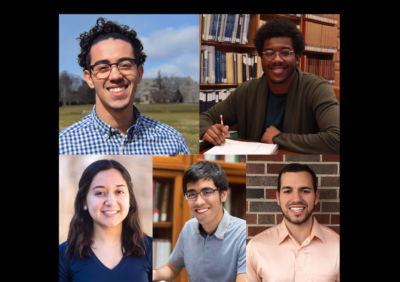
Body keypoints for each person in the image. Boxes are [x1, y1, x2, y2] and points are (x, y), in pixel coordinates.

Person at [200, 18, 339, 154]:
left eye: (285, 52)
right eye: (269, 53)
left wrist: (279, 138)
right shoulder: (247, 90)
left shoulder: (317, 89)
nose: (277, 59)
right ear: (261, 57)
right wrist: (208, 130)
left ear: (297, 57)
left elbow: (336, 138)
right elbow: (204, 118)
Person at [59, 17, 190, 155]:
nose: (115, 76)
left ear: (139, 73)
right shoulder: (63, 146)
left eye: (125, 65)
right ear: (89, 78)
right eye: (103, 68)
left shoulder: (172, 141)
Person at [59, 159, 152, 281]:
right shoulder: (64, 255)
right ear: (84, 201)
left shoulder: (149, 248)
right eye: (100, 193)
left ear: (130, 200)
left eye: (119, 192)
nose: (111, 202)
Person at [152, 161, 246, 282]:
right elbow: (172, 269)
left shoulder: (243, 232)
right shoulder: (188, 228)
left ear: (223, 195)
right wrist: (151, 274)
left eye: (207, 192)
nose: (198, 202)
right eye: (191, 194)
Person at [246, 163, 340, 281]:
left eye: (305, 191)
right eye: (288, 191)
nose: (296, 199)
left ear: (316, 197)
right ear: (278, 198)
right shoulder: (256, 247)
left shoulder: (337, 247)